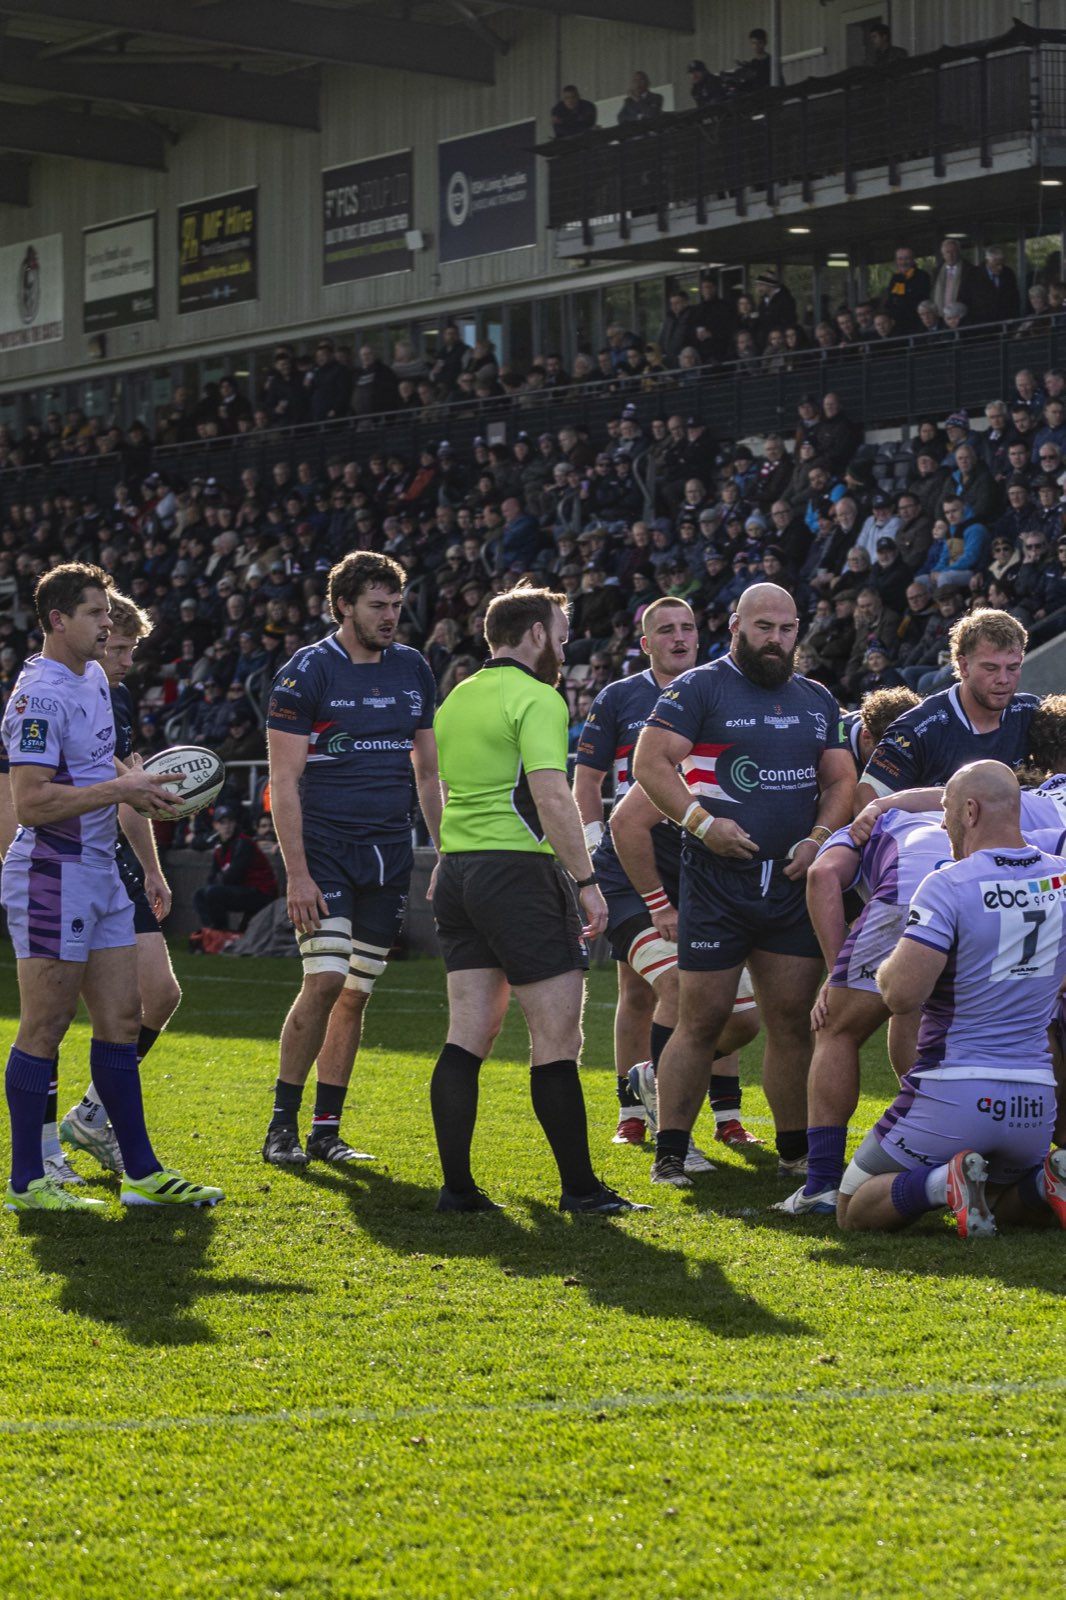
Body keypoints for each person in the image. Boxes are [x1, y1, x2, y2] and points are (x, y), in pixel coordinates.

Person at [1, 563, 222, 1211]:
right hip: (53, 872)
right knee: (45, 1025)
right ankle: (26, 1183)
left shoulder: (94, 677)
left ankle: (141, 1175)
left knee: (123, 1019)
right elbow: (32, 802)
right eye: (95, 614)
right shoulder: (37, 697)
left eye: (107, 612)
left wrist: (141, 789)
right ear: (57, 621)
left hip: (100, 872)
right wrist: (122, 788)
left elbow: (104, 772)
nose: (107, 624)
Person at [430, 584, 647, 1215]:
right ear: (534, 635)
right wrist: (587, 882)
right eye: (561, 635)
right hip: (519, 876)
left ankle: (458, 1190)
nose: (564, 648)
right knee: (557, 1040)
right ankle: (580, 1190)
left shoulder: (457, 697)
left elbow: (447, 788)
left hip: (459, 873)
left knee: (467, 1034)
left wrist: (448, 859)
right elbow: (552, 796)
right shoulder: (539, 697)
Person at [632, 583, 855, 1187]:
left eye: (786, 629)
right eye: (763, 627)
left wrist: (818, 837)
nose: (776, 640)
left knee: (790, 1022)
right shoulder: (699, 687)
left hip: (788, 886)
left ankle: (795, 1153)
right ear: (736, 627)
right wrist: (703, 824)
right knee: (701, 1020)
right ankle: (670, 1153)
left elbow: (841, 780)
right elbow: (649, 762)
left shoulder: (816, 698)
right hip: (716, 885)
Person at [262, 552, 441, 1168]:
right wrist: (297, 874)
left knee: (357, 991)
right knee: (325, 980)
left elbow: (428, 772)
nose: (390, 616)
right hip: (326, 854)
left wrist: (444, 851)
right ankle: (281, 1126)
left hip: (389, 857)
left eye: (396, 605)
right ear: (343, 606)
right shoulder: (306, 671)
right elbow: (283, 781)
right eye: (376, 605)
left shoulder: (413, 668)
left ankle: (326, 1131)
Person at [838, 761, 1066, 1237]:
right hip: (1035, 1102)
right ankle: (1045, 1181)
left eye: (945, 810)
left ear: (970, 810)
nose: (942, 824)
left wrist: (886, 965)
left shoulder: (949, 883)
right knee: (1000, 1200)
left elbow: (902, 996)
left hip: (954, 1092)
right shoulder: (1062, 879)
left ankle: (942, 1183)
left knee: (852, 1207)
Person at [572, 596, 760, 1157]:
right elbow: (588, 779)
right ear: (646, 643)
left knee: (719, 991)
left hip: (702, 865)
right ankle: (634, 1113)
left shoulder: (725, 690)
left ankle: (726, 1115)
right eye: (666, 630)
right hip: (634, 862)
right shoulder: (619, 697)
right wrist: (591, 848)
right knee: (644, 989)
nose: (679, 637)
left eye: (687, 627)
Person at [58, 592, 183, 1181]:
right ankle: (40, 1156)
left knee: (161, 995)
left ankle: (91, 1113)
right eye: (120, 648)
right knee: (56, 1015)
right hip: (64, 860)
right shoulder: (55, 693)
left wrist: (152, 868)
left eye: (133, 648)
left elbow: (132, 791)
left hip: (114, 860)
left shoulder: (121, 697)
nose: (129, 660)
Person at [773, 806, 953, 1217]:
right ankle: (948, 1160)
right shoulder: (977, 808)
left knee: (837, 1029)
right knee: (924, 1014)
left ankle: (821, 1183)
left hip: (908, 892)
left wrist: (836, 973)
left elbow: (821, 875)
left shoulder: (868, 826)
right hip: (977, 896)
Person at [854, 610, 1037, 813]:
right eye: (990, 668)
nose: (1003, 679)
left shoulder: (1033, 712)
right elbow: (865, 800)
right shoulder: (916, 729)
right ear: (963, 666)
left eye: (1013, 668)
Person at [193, 804, 277, 930]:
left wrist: (219, 880)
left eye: (230, 822)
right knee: (199, 895)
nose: (227, 826)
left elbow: (233, 876)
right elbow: (213, 876)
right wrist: (218, 880)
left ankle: (221, 932)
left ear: (235, 823)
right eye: (222, 822)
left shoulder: (243, 842)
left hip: (262, 893)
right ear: (215, 825)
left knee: (213, 893)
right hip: (244, 889)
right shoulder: (219, 846)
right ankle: (211, 930)